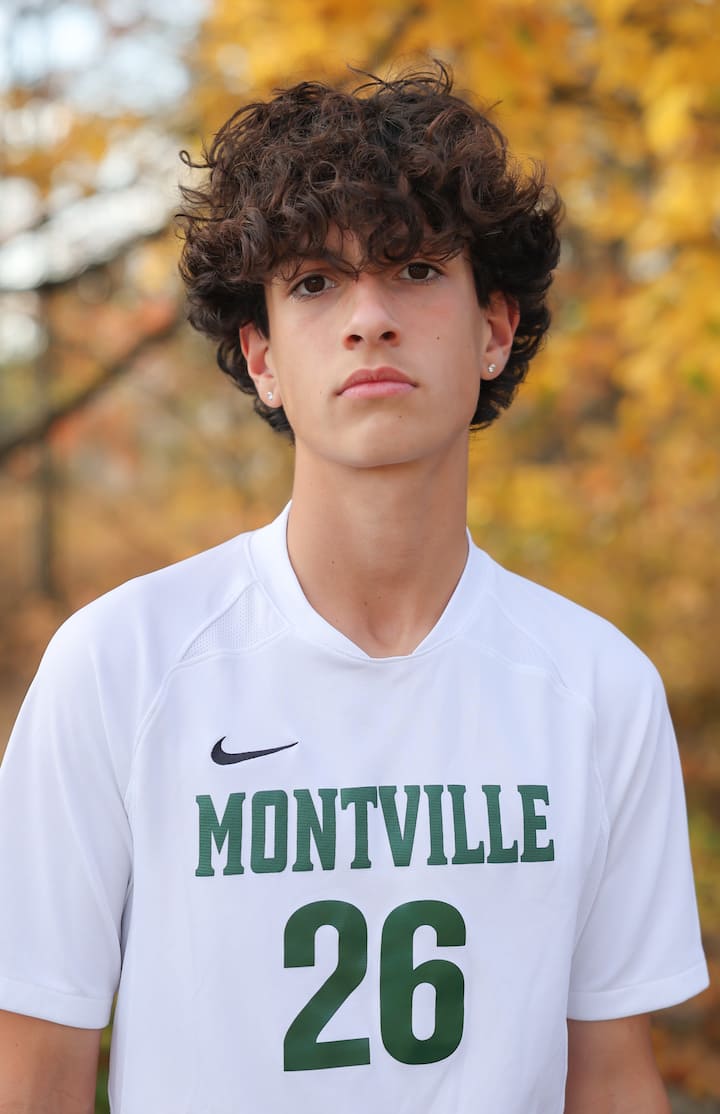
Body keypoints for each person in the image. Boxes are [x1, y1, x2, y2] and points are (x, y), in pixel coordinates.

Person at [0, 64, 708, 1113]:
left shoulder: (599, 686)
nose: (370, 317)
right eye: (314, 283)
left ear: (494, 330)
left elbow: (610, 1077)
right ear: (262, 357)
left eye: (416, 269)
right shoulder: (120, 666)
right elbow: (34, 1074)